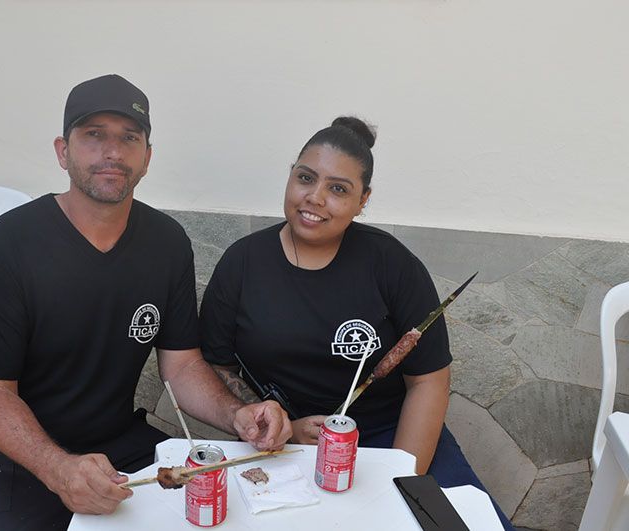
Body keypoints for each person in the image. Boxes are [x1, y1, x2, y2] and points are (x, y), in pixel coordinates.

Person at [0, 74, 292, 531]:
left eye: (129, 138)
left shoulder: (167, 243)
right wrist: (59, 469)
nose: (112, 152)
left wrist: (238, 415)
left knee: (220, 512)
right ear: (63, 151)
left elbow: (182, 366)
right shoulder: (12, 241)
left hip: (117, 443)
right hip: (11, 456)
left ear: (147, 158)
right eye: (94, 135)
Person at [200, 116, 515, 530]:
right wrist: (273, 423)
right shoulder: (242, 263)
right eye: (305, 178)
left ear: (363, 200)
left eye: (338, 189)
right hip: (284, 444)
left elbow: (428, 381)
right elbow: (217, 365)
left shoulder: (392, 265)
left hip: (389, 437)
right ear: (290, 176)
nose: (315, 198)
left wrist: (399, 478)